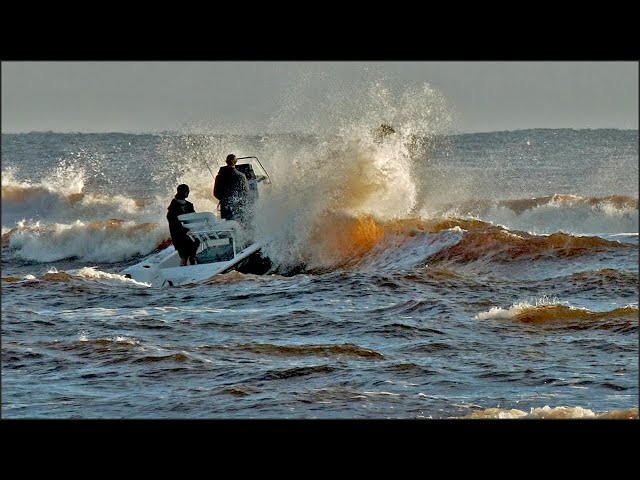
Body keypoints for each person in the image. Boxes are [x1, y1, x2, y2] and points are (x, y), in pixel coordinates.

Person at [167, 184, 200, 266]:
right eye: (186, 191)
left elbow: (194, 217)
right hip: (179, 235)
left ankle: (193, 265)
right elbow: (172, 222)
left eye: (188, 191)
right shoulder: (173, 206)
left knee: (192, 254)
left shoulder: (189, 205)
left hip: (190, 232)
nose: (188, 192)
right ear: (181, 192)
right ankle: (183, 267)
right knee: (184, 256)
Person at [213, 153, 250, 225]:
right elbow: (246, 193)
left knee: (229, 225)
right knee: (241, 225)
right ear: (235, 162)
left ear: (226, 162)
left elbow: (216, 193)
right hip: (238, 207)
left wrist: (224, 200)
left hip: (225, 208)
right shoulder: (241, 176)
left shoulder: (219, 176)